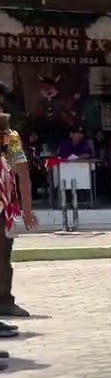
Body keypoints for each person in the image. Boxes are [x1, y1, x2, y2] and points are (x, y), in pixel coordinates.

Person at [0, 112, 36, 325]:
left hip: (3, 210)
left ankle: (4, 301)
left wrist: (27, 211)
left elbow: (23, 175)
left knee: (3, 257)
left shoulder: (10, 138)